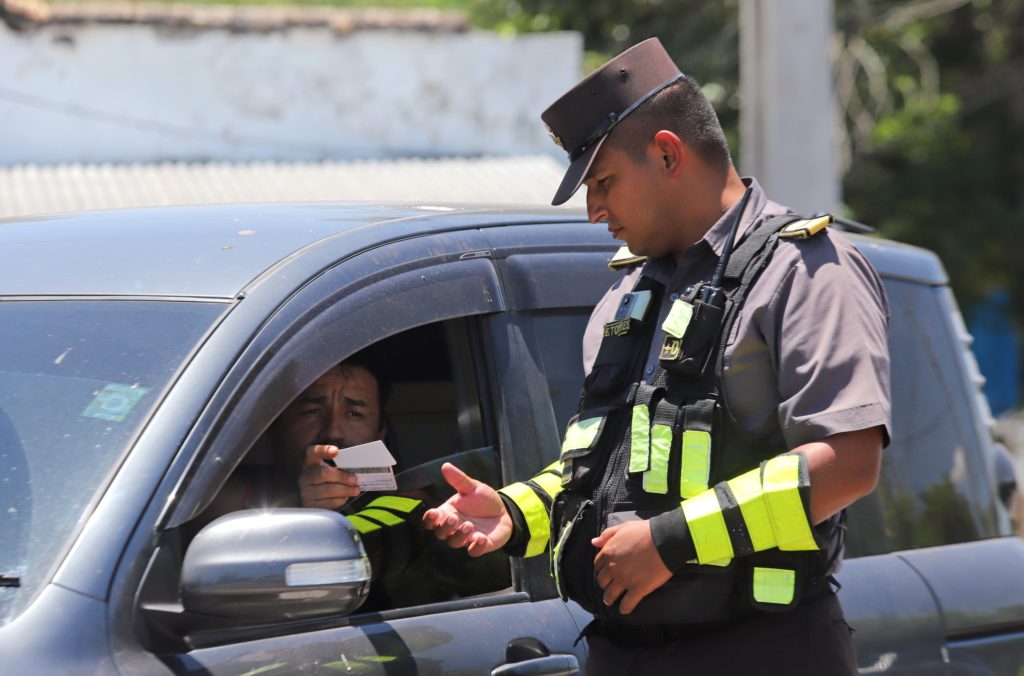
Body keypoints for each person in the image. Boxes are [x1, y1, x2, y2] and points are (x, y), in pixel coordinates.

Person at [423, 38, 890, 674]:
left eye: (604, 182)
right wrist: (512, 511)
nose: (594, 212)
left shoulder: (806, 271)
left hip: (762, 651)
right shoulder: (626, 296)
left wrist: (671, 543)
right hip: (623, 651)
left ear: (668, 152)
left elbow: (847, 462)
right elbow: (608, 472)